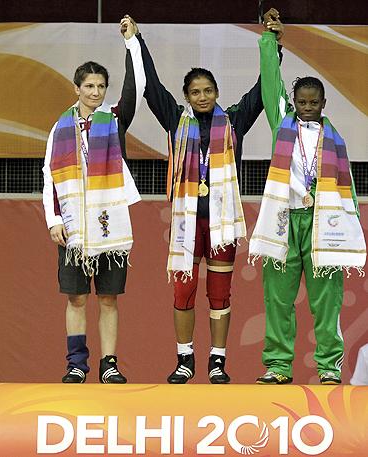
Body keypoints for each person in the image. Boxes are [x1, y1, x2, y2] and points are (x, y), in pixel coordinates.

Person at [126, 13, 282, 384]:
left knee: (219, 294)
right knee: (183, 291)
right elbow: (152, 89)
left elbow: (264, 89)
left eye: (207, 91)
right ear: (186, 97)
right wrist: (137, 40)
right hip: (187, 223)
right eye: (195, 92)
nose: (202, 97)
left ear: (217, 92)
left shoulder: (235, 121)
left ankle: (217, 361)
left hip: (221, 223)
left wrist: (273, 44)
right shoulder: (175, 119)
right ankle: (184, 359)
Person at [249, 9, 366, 385]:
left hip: (323, 224)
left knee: (327, 302)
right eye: (302, 101)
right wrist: (271, 41)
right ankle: (278, 367)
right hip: (286, 221)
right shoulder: (282, 122)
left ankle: (330, 367)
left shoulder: (334, 139)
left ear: (323, 102)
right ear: (294, 101)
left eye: (314, 102)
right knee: (278, 300)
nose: (308, 107)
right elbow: (271, 82)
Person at [42, 17, 146, 383]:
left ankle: (109, 365)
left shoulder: (113, 120)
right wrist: (54, 220)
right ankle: (76, 364)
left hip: (109, 225)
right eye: (89, 86)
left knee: (107, 299)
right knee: (76, 299)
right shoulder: (60, 127)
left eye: (101, 86)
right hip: (73, 226)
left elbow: (138, 87)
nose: (96, 92)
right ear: (77, 88)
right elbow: (48, 175)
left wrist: (132, 44)